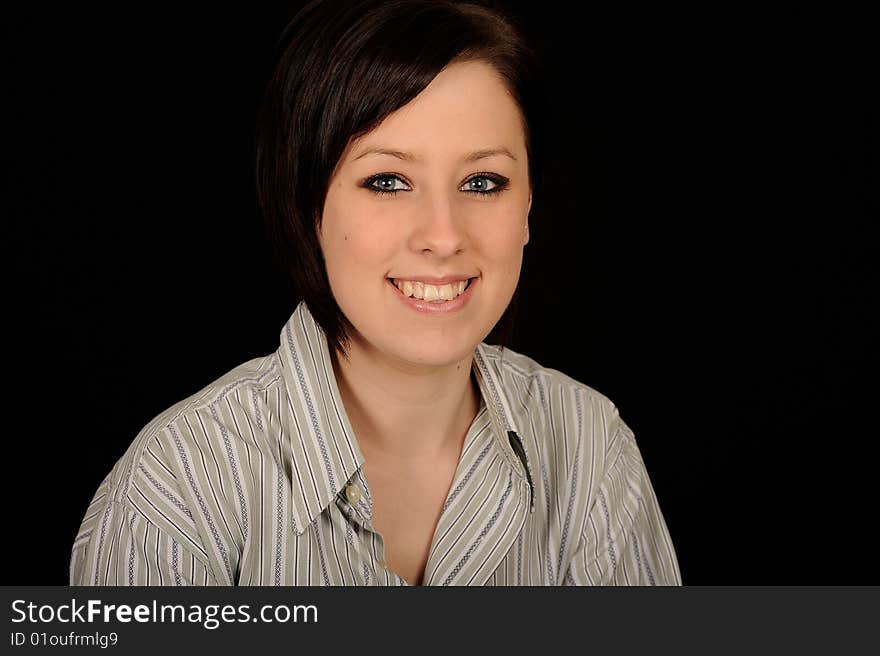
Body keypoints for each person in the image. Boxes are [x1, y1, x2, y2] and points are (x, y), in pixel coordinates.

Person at [70, 0, 681, 586]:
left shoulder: (590, 446)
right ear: (309, 206)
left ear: (528, 207)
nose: (443, 237)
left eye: (483, 181)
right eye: (388, 181)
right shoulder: (180, 486)